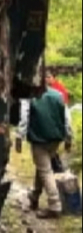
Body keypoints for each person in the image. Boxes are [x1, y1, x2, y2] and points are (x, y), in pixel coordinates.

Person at [17, 85, 75, 219]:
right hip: (55, 139)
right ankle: (34, 196)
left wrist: (20, 136)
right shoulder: (58, 95)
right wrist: (68, 137)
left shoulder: (30, 96)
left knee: (45, 171)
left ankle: (55, 205)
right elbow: (67, 118)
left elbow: (24, 118)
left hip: (39, 138)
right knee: (43, 166)